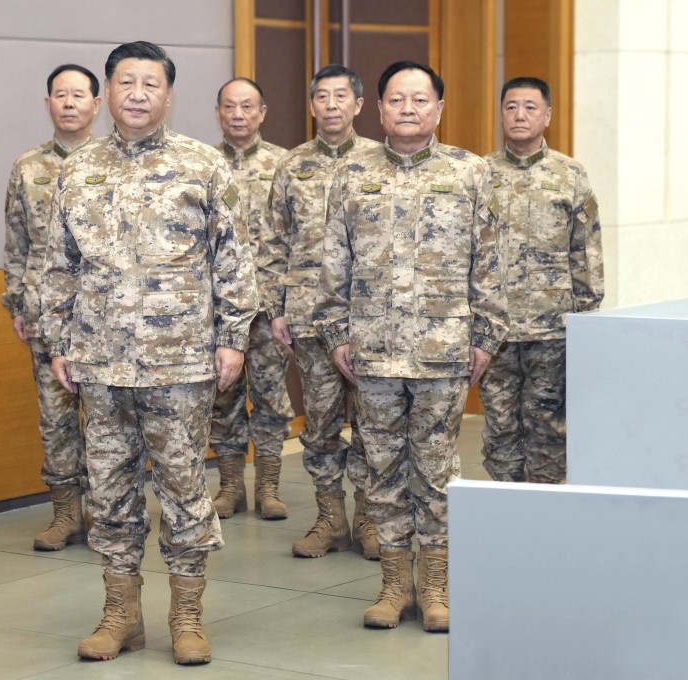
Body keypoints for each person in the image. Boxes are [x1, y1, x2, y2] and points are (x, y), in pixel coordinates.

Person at [41, 41, 258, 665]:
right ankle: (120, 615)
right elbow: (58, 266)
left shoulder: (203, 166)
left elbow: (233, 262)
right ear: (108, 91)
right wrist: (60, 341)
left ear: (168, 94)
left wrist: (231, 339)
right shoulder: (77, 170)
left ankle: (186, 616)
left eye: (150, 84)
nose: (137, 93)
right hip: (100, 362)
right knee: (108, 490)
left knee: (185, 487)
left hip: (181, 363)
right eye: (126, 82)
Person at [314, 61, 508, 633]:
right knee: (381, 467)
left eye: (420, 100)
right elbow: (333, 264)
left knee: (438, 470)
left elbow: (490, 265)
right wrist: (333, 334)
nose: (407, 108)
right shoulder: (351, 174)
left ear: (439, 110)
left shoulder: (471, 174)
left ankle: (437, 586)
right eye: (396, 99)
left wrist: (487, 337)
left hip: (444, 351)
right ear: (378, 110)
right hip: (370, 353)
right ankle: (394, 585)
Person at [258, 64, 381, 558]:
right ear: (311, 106)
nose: (331, 105)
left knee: (376, 423)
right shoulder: (292, 165)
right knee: (322, 422)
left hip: (371, 319)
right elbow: (273, 240)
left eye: (341, 97)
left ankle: (371, 519)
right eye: (322, 97)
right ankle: (330, 518)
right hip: (309, 317)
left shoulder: (381, 160)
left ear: (358, 105)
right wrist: (276, 307)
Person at [479, 76, 604, 484]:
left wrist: (587, 319)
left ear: (547, 116)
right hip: (495, 331)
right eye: (511, 106)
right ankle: (506, 513)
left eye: (530, 107)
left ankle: (545, 519)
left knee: (548, 428)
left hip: (553, 330)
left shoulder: (570, 174)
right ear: (501, 114)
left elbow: (585, 250)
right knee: (499, 428)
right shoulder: (480, 173)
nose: (519, 115)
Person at [3, 64, 101, 550]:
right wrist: (18, 303)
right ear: (47, 104)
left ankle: (107, 512)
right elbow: (17, 243)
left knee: (108, 419)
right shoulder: (28, 167)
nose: (68, 103)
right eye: (59, 95)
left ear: (96, 105)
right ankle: (66, 514)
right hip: (48, 317)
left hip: (107, 316)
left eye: (78, 94)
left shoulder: (112, 162)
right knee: (56, 416)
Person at [210, 77, 294, 520]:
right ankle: (229, 486)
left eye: (247, 107)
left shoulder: (284, 164)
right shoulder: (202, 164)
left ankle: (268, 486)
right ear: (218, 112)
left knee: (269, 396)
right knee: (221, 396)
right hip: (217, 307)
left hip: (267, 308)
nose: (238, 115)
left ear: (263, 113)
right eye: (229, 107)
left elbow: (294, 237)